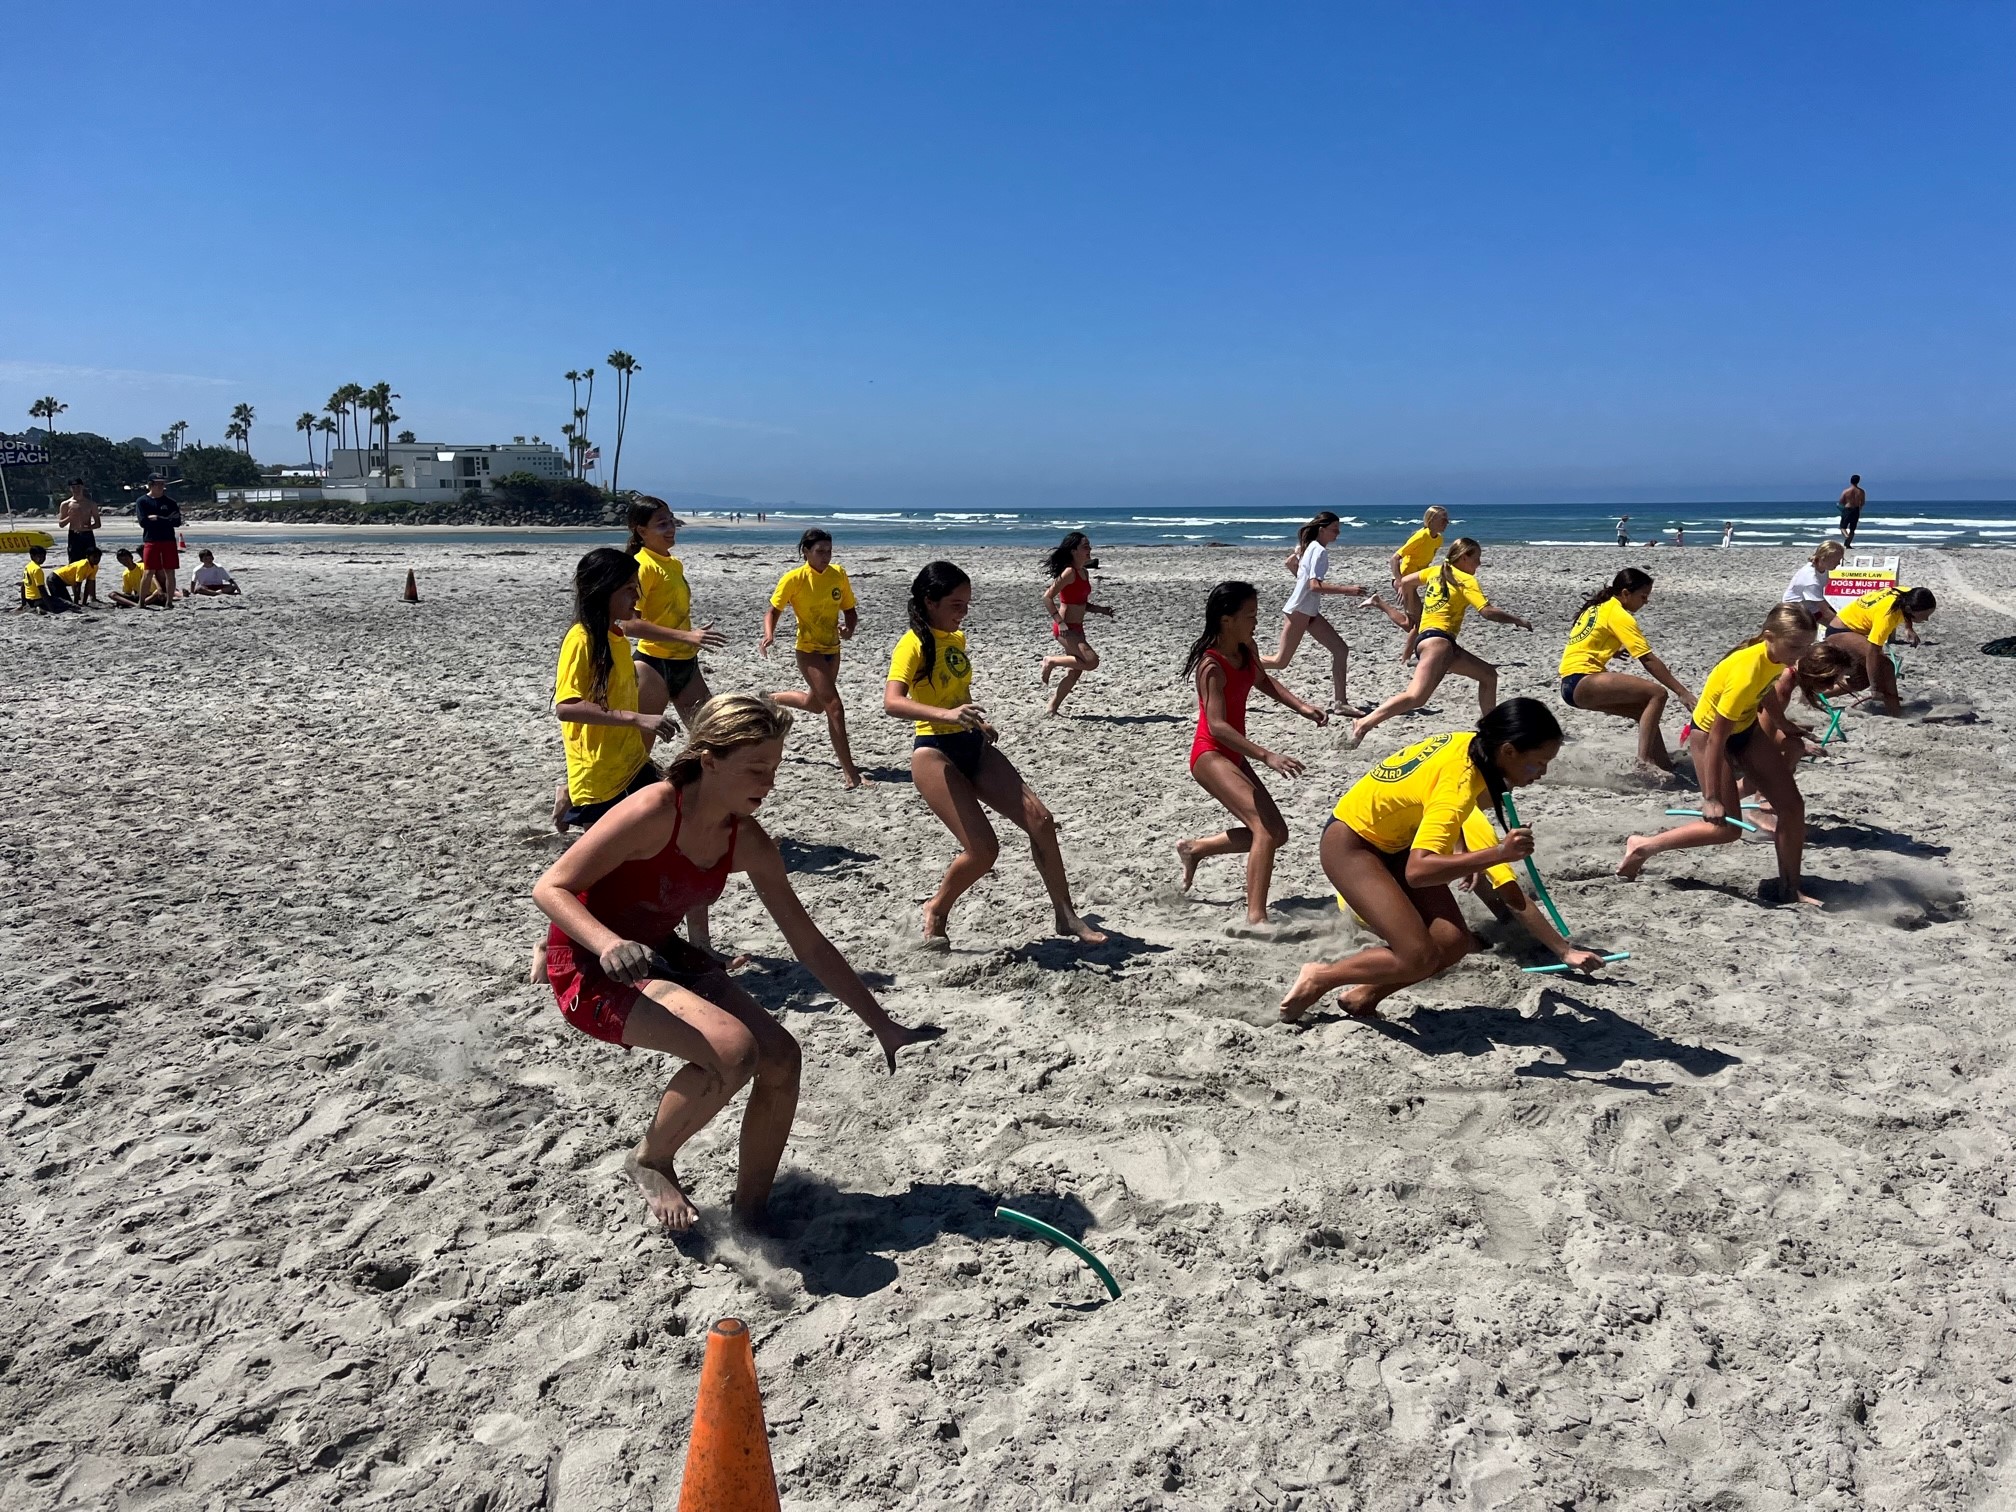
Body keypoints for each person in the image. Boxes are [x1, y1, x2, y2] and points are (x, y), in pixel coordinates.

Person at [533, 694, 939, 1233]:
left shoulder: (745, 839)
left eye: (774, 767)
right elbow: (551, 886)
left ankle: (751, 1213)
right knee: (733, 1050)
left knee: (781, 1058)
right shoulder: (655, 809)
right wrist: (607, 942)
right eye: (755, 768)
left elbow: (809, 944)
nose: (768, 782)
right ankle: (651, 1160)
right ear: (709, 759)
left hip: (659, 957)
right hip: (590, 963)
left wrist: (881, 1023)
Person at [1279, 699, 1609, 1022]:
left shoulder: (1474, 746)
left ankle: (1363, 996)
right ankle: (1320, 977)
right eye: (1538, 762)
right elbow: (1419, 872)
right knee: (1417, 956)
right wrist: (1498, 854)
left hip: (1394, 842)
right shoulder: (1459, 788)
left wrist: (1471, 853)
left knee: (1452, 942)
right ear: (1508, 751)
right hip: (1352, 845)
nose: (1542, 772)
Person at [884, 561, 1107, 948]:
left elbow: (956, 693)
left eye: (967, 603)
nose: (963, 612)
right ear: (929, 602)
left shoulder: (956, 639)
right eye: (956, 604)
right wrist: (947, 714)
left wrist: (974, 720)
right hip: (934, 752)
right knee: (984, 850)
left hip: (972, 744)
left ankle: (1066, 916)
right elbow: (892, 702)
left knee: (1041, 820)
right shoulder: (913, 644)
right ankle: (936, 908)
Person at [1617, 604, 1821, 904]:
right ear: (1769, 636)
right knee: (1724, 830)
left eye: (1807, 646)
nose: (1800, 654)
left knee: (1792, 807)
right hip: (1710, 737)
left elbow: (1765, 690)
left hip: (1746, 729)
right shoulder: (1744, 672)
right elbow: (1716, 738)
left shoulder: (1777, 655)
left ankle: (1790, 889)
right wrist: (1710, 798)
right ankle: (1642, 846)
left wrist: (1784, 725)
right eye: (1795, 646)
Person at [1175, 580, 1329, 926]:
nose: (1255, 622)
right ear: (1226, 619)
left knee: (1278, 833)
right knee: (1263, 828)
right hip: (1210, 754)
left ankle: (1196, 849)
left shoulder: (1246, 647)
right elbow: (1216, 725)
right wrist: (1266, 755)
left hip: (1233, 753)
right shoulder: (1211, 665)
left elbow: (1263, 681)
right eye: (1250, 616)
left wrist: (1301, 706)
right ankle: (1256, 918)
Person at [1347, 538, 1532, 749]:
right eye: (1476, 559)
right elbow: (1487, 611)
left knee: (1489, 675)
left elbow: (1405, 582)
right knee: (1415, 697)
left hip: (1435, 642)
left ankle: (1491, 731)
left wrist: (1411, 606)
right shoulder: (1465, 580)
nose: (1478, 564)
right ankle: (1363, 723)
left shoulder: (1435, 571)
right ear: (1464, 558)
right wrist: (1518, 620)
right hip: (1439, 644)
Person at [1557, 568, 1699, 770]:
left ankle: (1664, 765)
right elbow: (1648, 660)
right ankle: (1643, 762)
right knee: (1658, 694)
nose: (1646, 602)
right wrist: (1682, 692)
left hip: (1569, 686)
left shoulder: (1595, 608)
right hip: (1582, 680)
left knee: (1642, 710)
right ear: (1625, 593)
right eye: (1643, 596)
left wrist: (1609, 650)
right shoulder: (1618, 614)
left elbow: (1583, 640)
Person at [763, 527, 863, 788]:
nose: (826, 556)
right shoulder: (794, 579)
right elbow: (773, 611)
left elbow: (850, 611)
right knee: (835, 708)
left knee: (815, 703)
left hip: (832, 649)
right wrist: (769, 634)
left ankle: (770, 698)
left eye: (829, 551)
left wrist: (848, 628)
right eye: (820, 552)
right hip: (808, 652)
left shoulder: (838, 575)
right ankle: (851, 774)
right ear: (806, 552)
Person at [1262, 511, 1390, 716]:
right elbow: (1314, 586)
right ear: (1321, 529)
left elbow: (1290, 563)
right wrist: (1349, 591)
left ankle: (1340, 703)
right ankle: (1232, 665)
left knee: (1340, 650)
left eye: (1338, 529)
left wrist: (1301, 579)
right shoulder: (1318, 551)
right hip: (1299, 611)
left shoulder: (1309, 547)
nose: (1338, 533)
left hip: (1308, 610)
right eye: (1334, 529)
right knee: (1280, 662)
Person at [623, 498, 728, 743]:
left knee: (713, 739)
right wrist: (686, 636)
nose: (670, 528)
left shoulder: (673, 563)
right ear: (641, 531)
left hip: (686, 663)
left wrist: (688, 635)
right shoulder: (641, 565)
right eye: (662, 524)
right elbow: (629, 624)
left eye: (671, 521)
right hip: (653, 666)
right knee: (637, 751)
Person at [1038, 531, 1116, 717]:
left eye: (1089, 546)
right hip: (1065, 628)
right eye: (1085, 546)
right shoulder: (1069, 572)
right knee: (1091, 661)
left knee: (1075, 672)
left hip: (1078, 627)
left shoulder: (1084, 572)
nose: (1089, 549)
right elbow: (1047, 597)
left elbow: (1082, 603)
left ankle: (1052, 708)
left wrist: (1102, 610)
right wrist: (1060, 622)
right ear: (1074, 551)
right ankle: (1051, 660)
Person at [1830, 585, 1936, 715]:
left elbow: (1907, 611)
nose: (1926, 619)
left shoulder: (1907, 594)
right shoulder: (1887, 616)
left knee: (1862, 681)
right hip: (1840, 630)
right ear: (1909, 609)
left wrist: (1908, 628)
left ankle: (1815, 695)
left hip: (1854, 629)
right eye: (1924, 615)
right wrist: (1876, 688)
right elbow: (1873, 652)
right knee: (1885, 666)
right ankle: (1896, 713)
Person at [1388, 507, 1449, 626]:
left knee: (1412, 623)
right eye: (1443, 520)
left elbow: (1424, 562)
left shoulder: (1439, 540)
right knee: (1417, 623)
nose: (1446, 523)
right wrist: (1401, 584)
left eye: (1447, 520)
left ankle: (1378, 602)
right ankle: (1378, 602)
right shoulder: (1421, 536)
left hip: (1414, 582)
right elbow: (1394, 559)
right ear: (1431, 520)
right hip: (1404, 582)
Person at [136, 478, 182, 607]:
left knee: (170, 571)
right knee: (149, 571)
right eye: (158, 484)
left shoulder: (171, 502)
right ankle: (141, 602)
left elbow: (176, 521)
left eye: (163, 484)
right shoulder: (142, 501)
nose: (162, 486)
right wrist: (166, 520)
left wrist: (158, 518)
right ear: (151, 485)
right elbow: (143, 522)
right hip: (151, 539)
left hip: (168, 539)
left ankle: (169, 602)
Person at [1781, 540, 1845, 630]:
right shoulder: (1811, 579)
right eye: (1836, 560)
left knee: (1836, 624)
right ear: (1823, 559)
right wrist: (1842, 624)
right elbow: (1824, 609)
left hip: (1809, 605)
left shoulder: (1822, 568)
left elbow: (1823, 603)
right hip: (1795, 609)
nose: (1838, 563)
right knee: (1837, 627)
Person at [56, 480, 102, 599]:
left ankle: (92, 596)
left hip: (87, 535)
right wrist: (69, 518)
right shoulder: (66, 504)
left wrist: (89, 527)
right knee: (74, 565)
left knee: (92, 564)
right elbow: (61, 524)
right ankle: (77, 595)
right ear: (70, 489)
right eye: (73, 487)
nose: (76, 489)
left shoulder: (90, 503)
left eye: (78, 487)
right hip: (74, 535)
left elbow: (98, 523)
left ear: (82, 487)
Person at [18, 545, 76, 613]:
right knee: (71, 605)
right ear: (32, 556)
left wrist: (23, 603)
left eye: (43, 556)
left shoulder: (28, 566)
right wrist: (51, 608)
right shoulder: (37, 569)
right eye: (39, 557)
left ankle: (37, 606)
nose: (42, 559)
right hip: (38, 599)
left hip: (29, 600)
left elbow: (23, 586)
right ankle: (40, 607)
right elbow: (41, 589)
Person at [1838, 475, 1867, 547]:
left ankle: (1846, 536)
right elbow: (1863, 502)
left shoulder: (1846, 491)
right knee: (1852, 529)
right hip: (1856, 509)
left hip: (1847, 509)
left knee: (1843, 527)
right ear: (1858, 481)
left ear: (1850, 481)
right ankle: (1848, 544)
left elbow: (1841, 501)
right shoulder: (1861, 491)